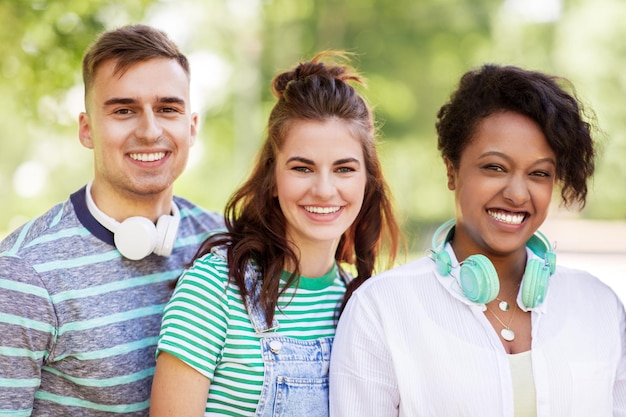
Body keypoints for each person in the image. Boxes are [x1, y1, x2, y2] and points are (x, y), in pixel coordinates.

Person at [329, 64, 626, 416]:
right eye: (494, 167)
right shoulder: (381, 310)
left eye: (539, 173)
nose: (517, 194)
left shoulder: (600, 307)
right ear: (452, 171)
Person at [149, 51, 401, 417]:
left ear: (367, 181)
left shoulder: (362, 307)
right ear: (272, 179)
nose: (325, 189)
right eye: (302, 168)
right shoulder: (213, 288)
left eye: (344, 169)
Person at [0, 24, 224, 416]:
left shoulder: (224, 242)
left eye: (168, 109)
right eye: (124, 110)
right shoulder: (23, 275)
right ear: (87, 130)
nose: (150, 130)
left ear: (191, 127)